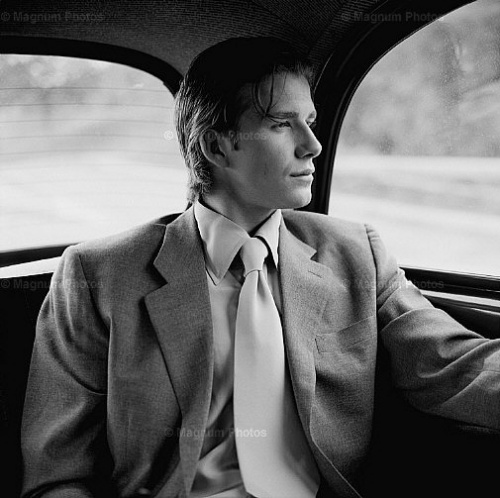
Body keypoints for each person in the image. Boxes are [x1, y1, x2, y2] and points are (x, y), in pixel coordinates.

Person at [21, 37, 500, 498]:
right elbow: (57, 473)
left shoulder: (356, 253)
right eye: (281, 125)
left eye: (310, 121)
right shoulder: (98, 276)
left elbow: (455, 366)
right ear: (216, 146)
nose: (312, 145)